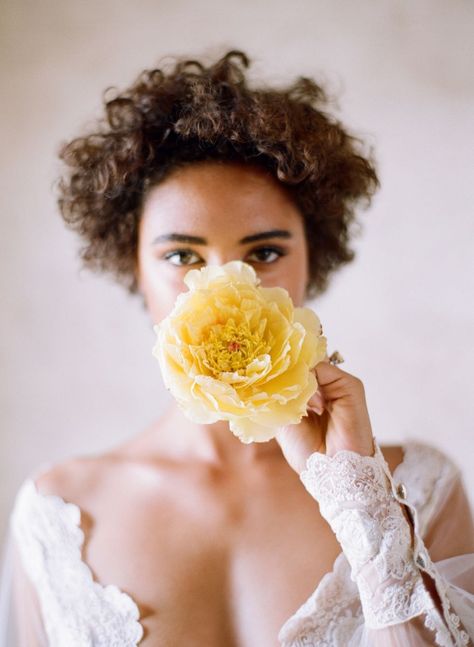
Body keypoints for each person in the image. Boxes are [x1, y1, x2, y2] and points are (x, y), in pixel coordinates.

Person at [0, 49, 473, 646]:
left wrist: (360, 501)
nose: (226, 287)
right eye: (181, 257)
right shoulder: (57, 514)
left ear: (312, 260)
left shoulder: (422, 490)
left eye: (264, 253)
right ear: (134, 268)